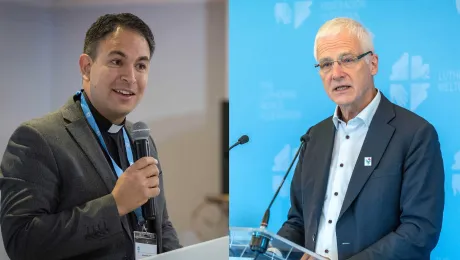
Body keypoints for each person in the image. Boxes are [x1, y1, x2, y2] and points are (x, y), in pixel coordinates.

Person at [0, 13, 181, 260]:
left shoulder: (142, 141)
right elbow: (22, 242)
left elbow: (160, 225)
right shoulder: (37, 138)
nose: (130, 77)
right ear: (87, 67)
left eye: (141, 65)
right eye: (117, 61)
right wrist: (115, 205)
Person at [276, 17, 445, 260]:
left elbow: (419, 231)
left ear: (373, 64)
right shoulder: (314, 136)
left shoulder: (415, 134)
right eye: (325, 64)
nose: (336, 74)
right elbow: (298, 221)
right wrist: (271, 251)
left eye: (347, 60)